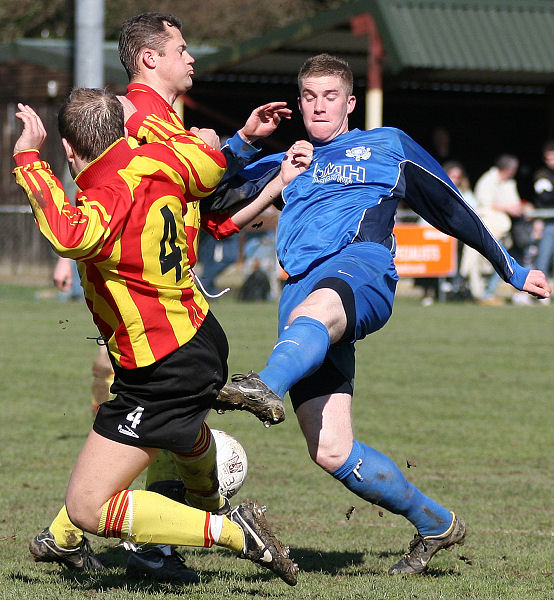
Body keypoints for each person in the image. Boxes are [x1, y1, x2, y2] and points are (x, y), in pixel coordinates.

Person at [213, 54, 551, 575]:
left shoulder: (386, 145)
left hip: (362, 271)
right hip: (302, 298)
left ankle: (264, 385)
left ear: (349, 103)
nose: (319, 106)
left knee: (318, 306)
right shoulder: (292, 160)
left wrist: (509, 268)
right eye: (309, 97)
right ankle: (436, 523)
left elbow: (450, 205)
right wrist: (247, 144)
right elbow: (214, 198)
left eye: (330, 97)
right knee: (330, 449)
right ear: (299, 103)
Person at [28, 11, 295, 583]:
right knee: (165, 429)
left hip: (160, 342)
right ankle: (74, 535)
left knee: (100, 480)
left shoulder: (143, 132)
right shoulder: (156, 136)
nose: (191, 56)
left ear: (73, 151)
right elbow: (204, 175)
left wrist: (31, 160)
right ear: (151, 58)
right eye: (182, 47)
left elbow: (79, 227)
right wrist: (232, 147)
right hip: (188, 325)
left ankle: (205, 531)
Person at [473, 155, 526, 305]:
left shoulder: (509, 183)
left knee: (505, 261)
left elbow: (513, 203)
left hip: (505, 231)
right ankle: (480, 294)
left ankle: (488, 293)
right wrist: (509, 208)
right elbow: (486, 204)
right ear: (509, 169)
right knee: (483, 263)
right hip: (489, 229)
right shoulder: (488, 180)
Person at [532, 140, 554, 293]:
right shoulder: (542, 175)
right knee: (543, 258)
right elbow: (545, 197)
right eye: (548, 159)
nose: (551, 162)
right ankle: (540, 292)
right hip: (549, 223)